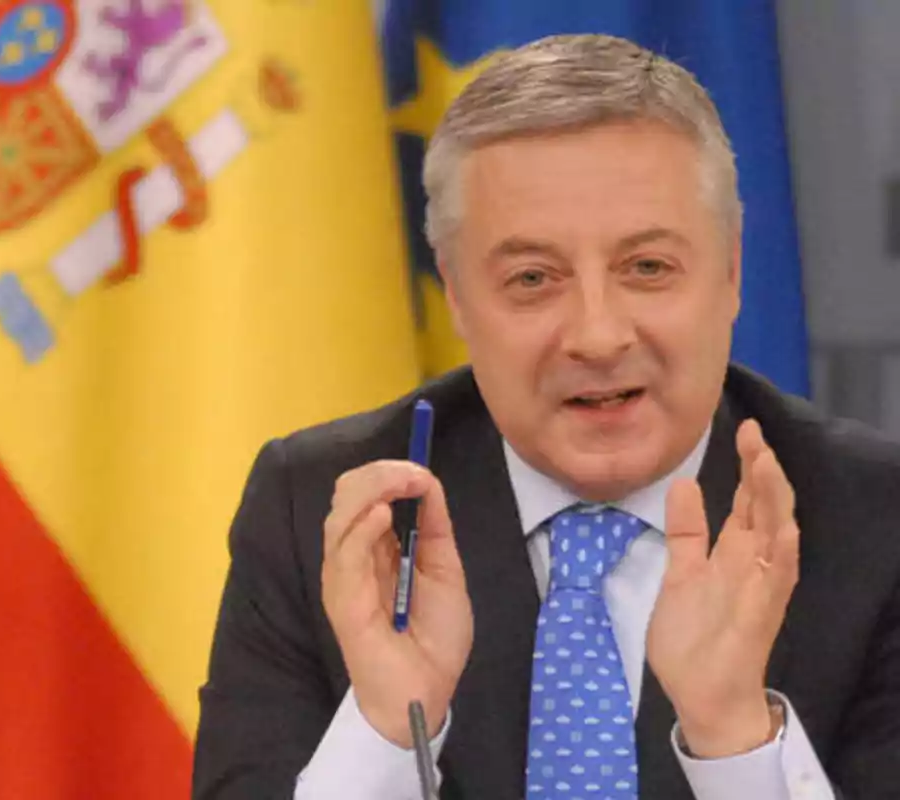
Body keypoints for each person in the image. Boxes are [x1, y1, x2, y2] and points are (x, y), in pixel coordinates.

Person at [191, 33, 900, 799]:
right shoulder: (329, 514)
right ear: (458, 298)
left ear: (730, 274)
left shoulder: (877, 524)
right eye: (533, 278)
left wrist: (735, 743)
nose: (597, 336)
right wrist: (386, 730)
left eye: (648, 268)